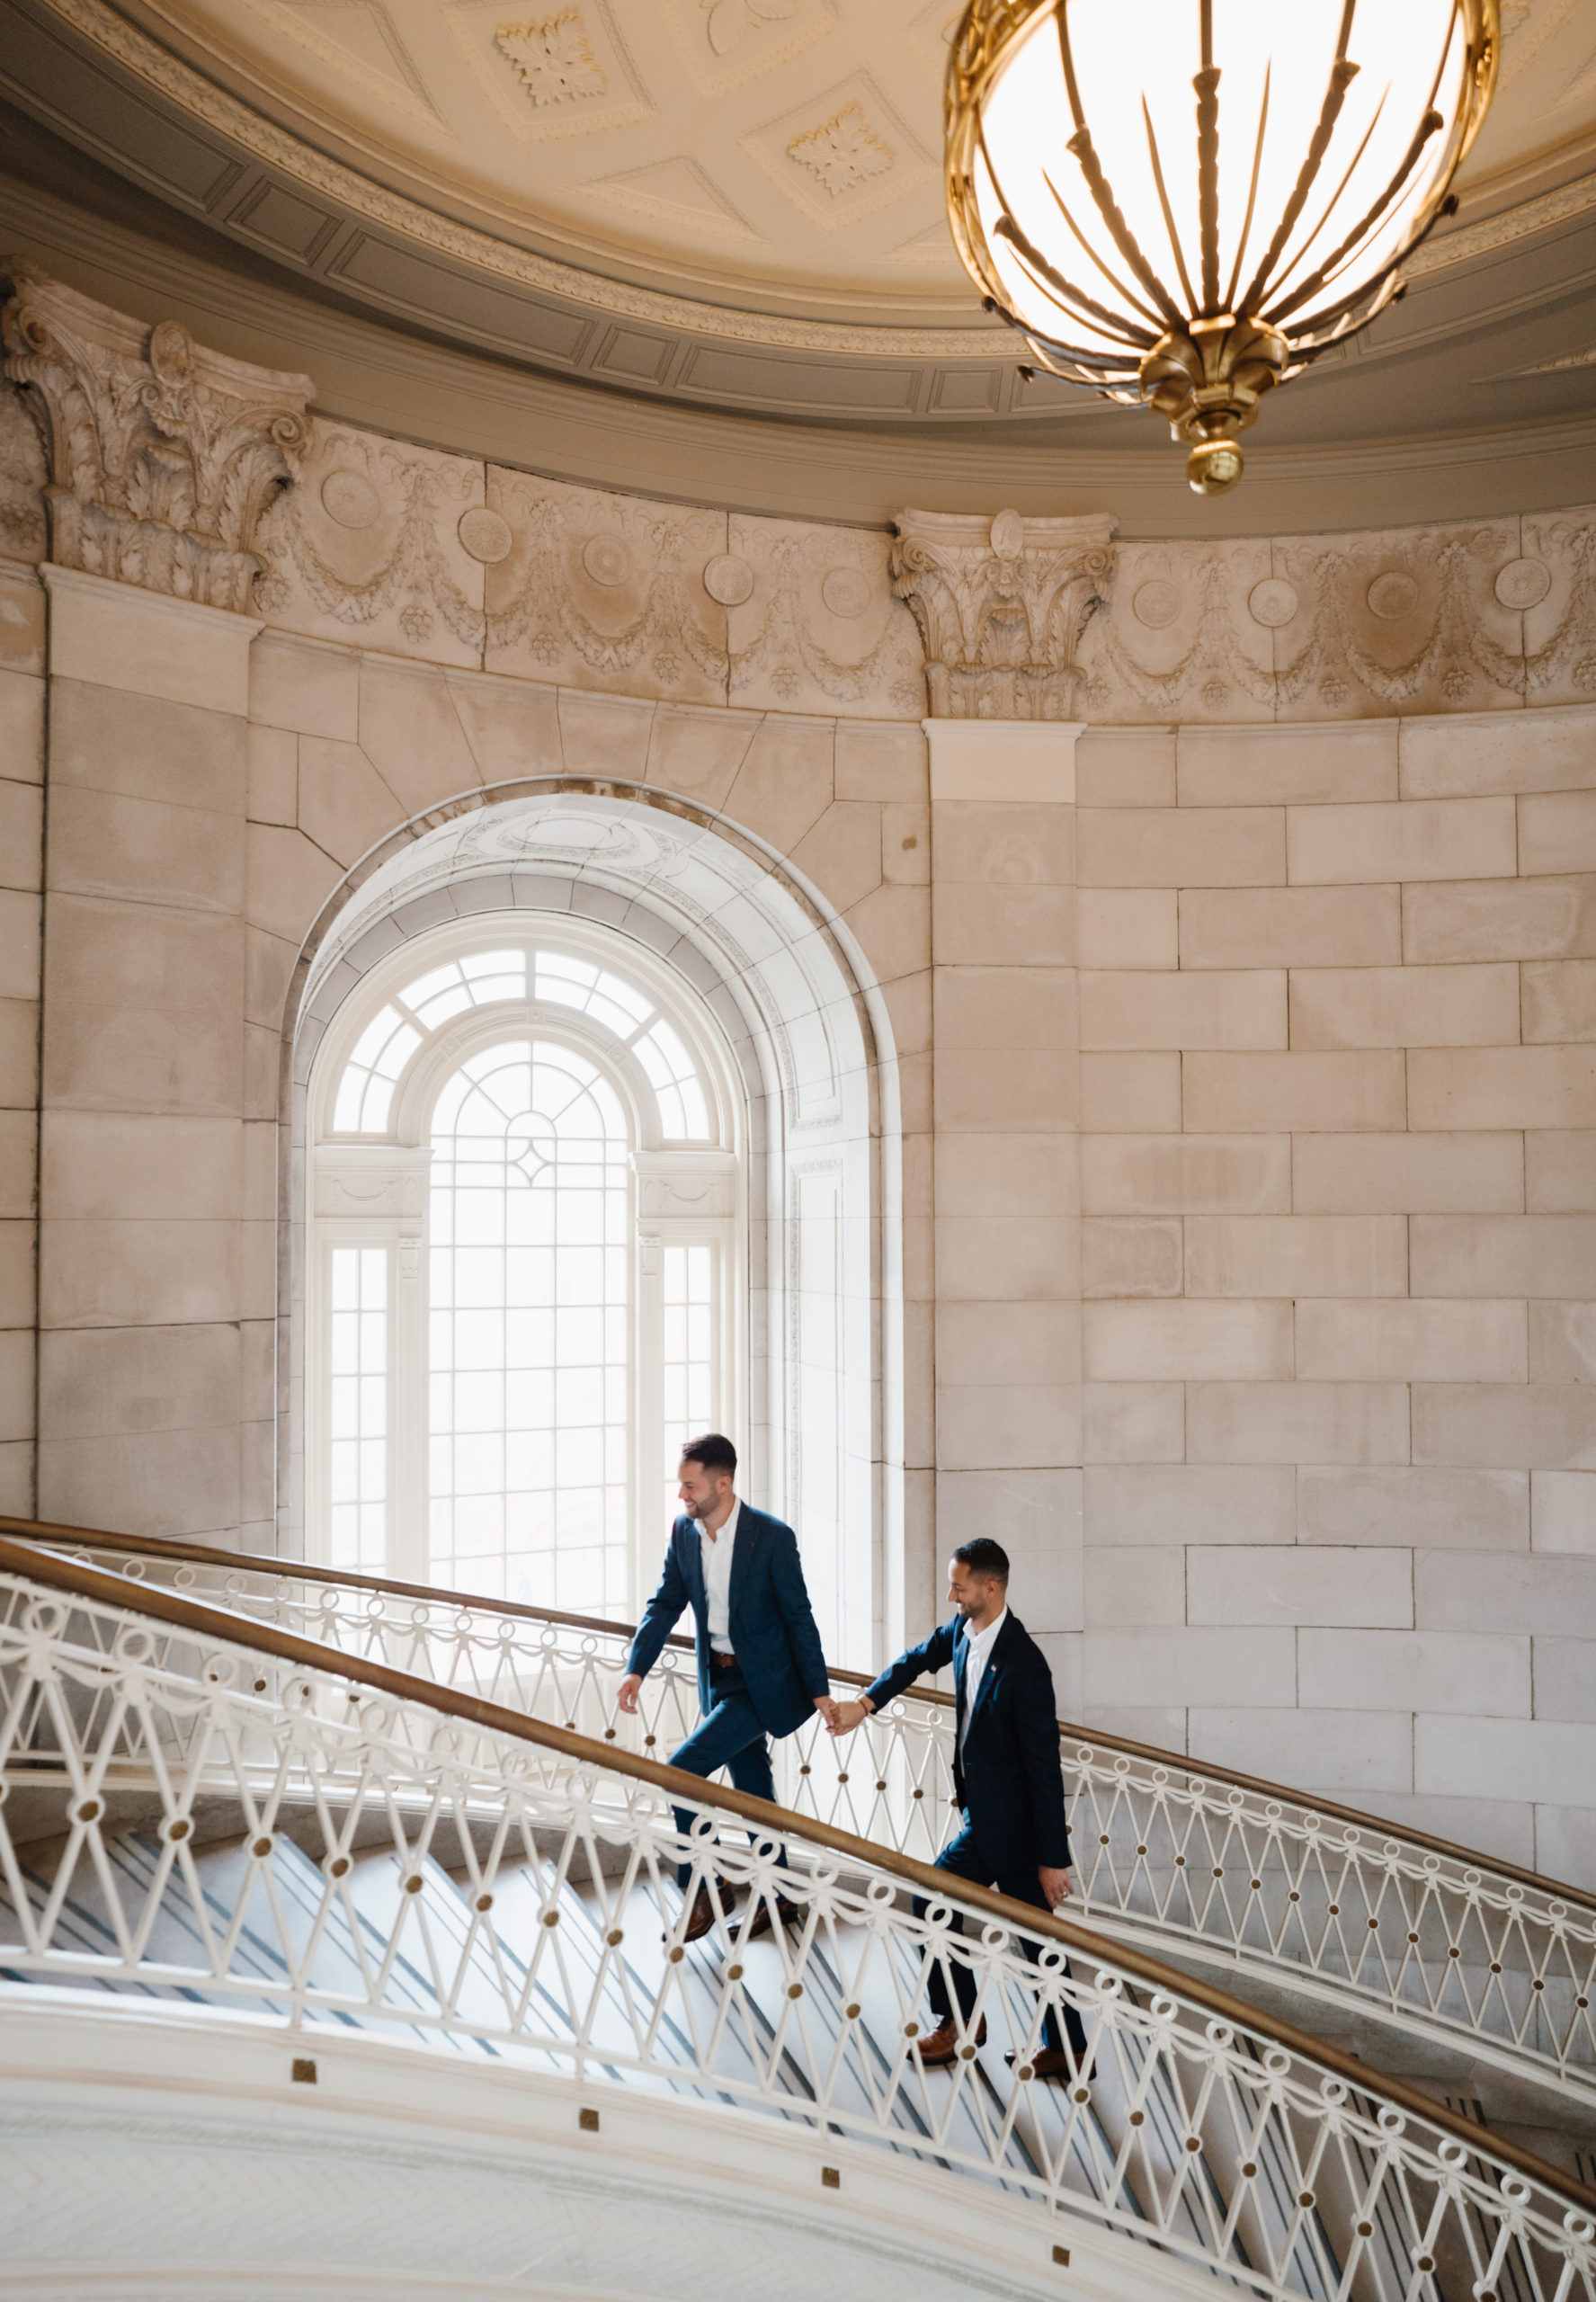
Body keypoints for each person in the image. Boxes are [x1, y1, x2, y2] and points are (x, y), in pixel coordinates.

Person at [828, 1538, 1090, 2080]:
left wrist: (1053, 1858)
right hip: (984, 1816)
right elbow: (916, 1660)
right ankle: (1060, 2045)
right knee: (1036, 1939)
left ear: (990, 1588)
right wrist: (865, 1704)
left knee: (935, 1900)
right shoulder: (965, 1633)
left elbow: (1044, 1768)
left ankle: (964, 2025)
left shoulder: (1026, 1665)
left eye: (960, 1586)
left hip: (1010, 1831)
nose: (951, 1595)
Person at [618, 1433, 837, 1944]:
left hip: (761, 1685)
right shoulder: (684, 1532)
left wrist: (819, 1690)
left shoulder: (772, 1538)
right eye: (681, 1486)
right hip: (717, 1678)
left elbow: (799, 1618)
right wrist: (636, 1668)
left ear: (723, 1482)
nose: (682, 1496)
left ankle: (706, 1884)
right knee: (754, 1790)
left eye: (690, 1486)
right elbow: (665, 1603)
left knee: (680, 1773)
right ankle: (781, 1896)